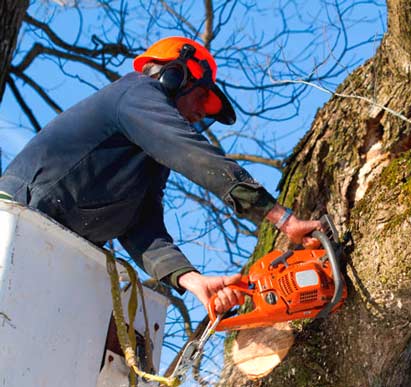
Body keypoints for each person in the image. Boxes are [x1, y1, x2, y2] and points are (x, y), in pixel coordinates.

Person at [0, 37, 320, 314]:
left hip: (52, 249)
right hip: (17, 220)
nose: (199, 115)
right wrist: (282, 219)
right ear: (173, 77)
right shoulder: (135, 94)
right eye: (200, 99)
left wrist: (193, 280)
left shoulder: (148, 159)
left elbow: (143, 227)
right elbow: (192, 153)